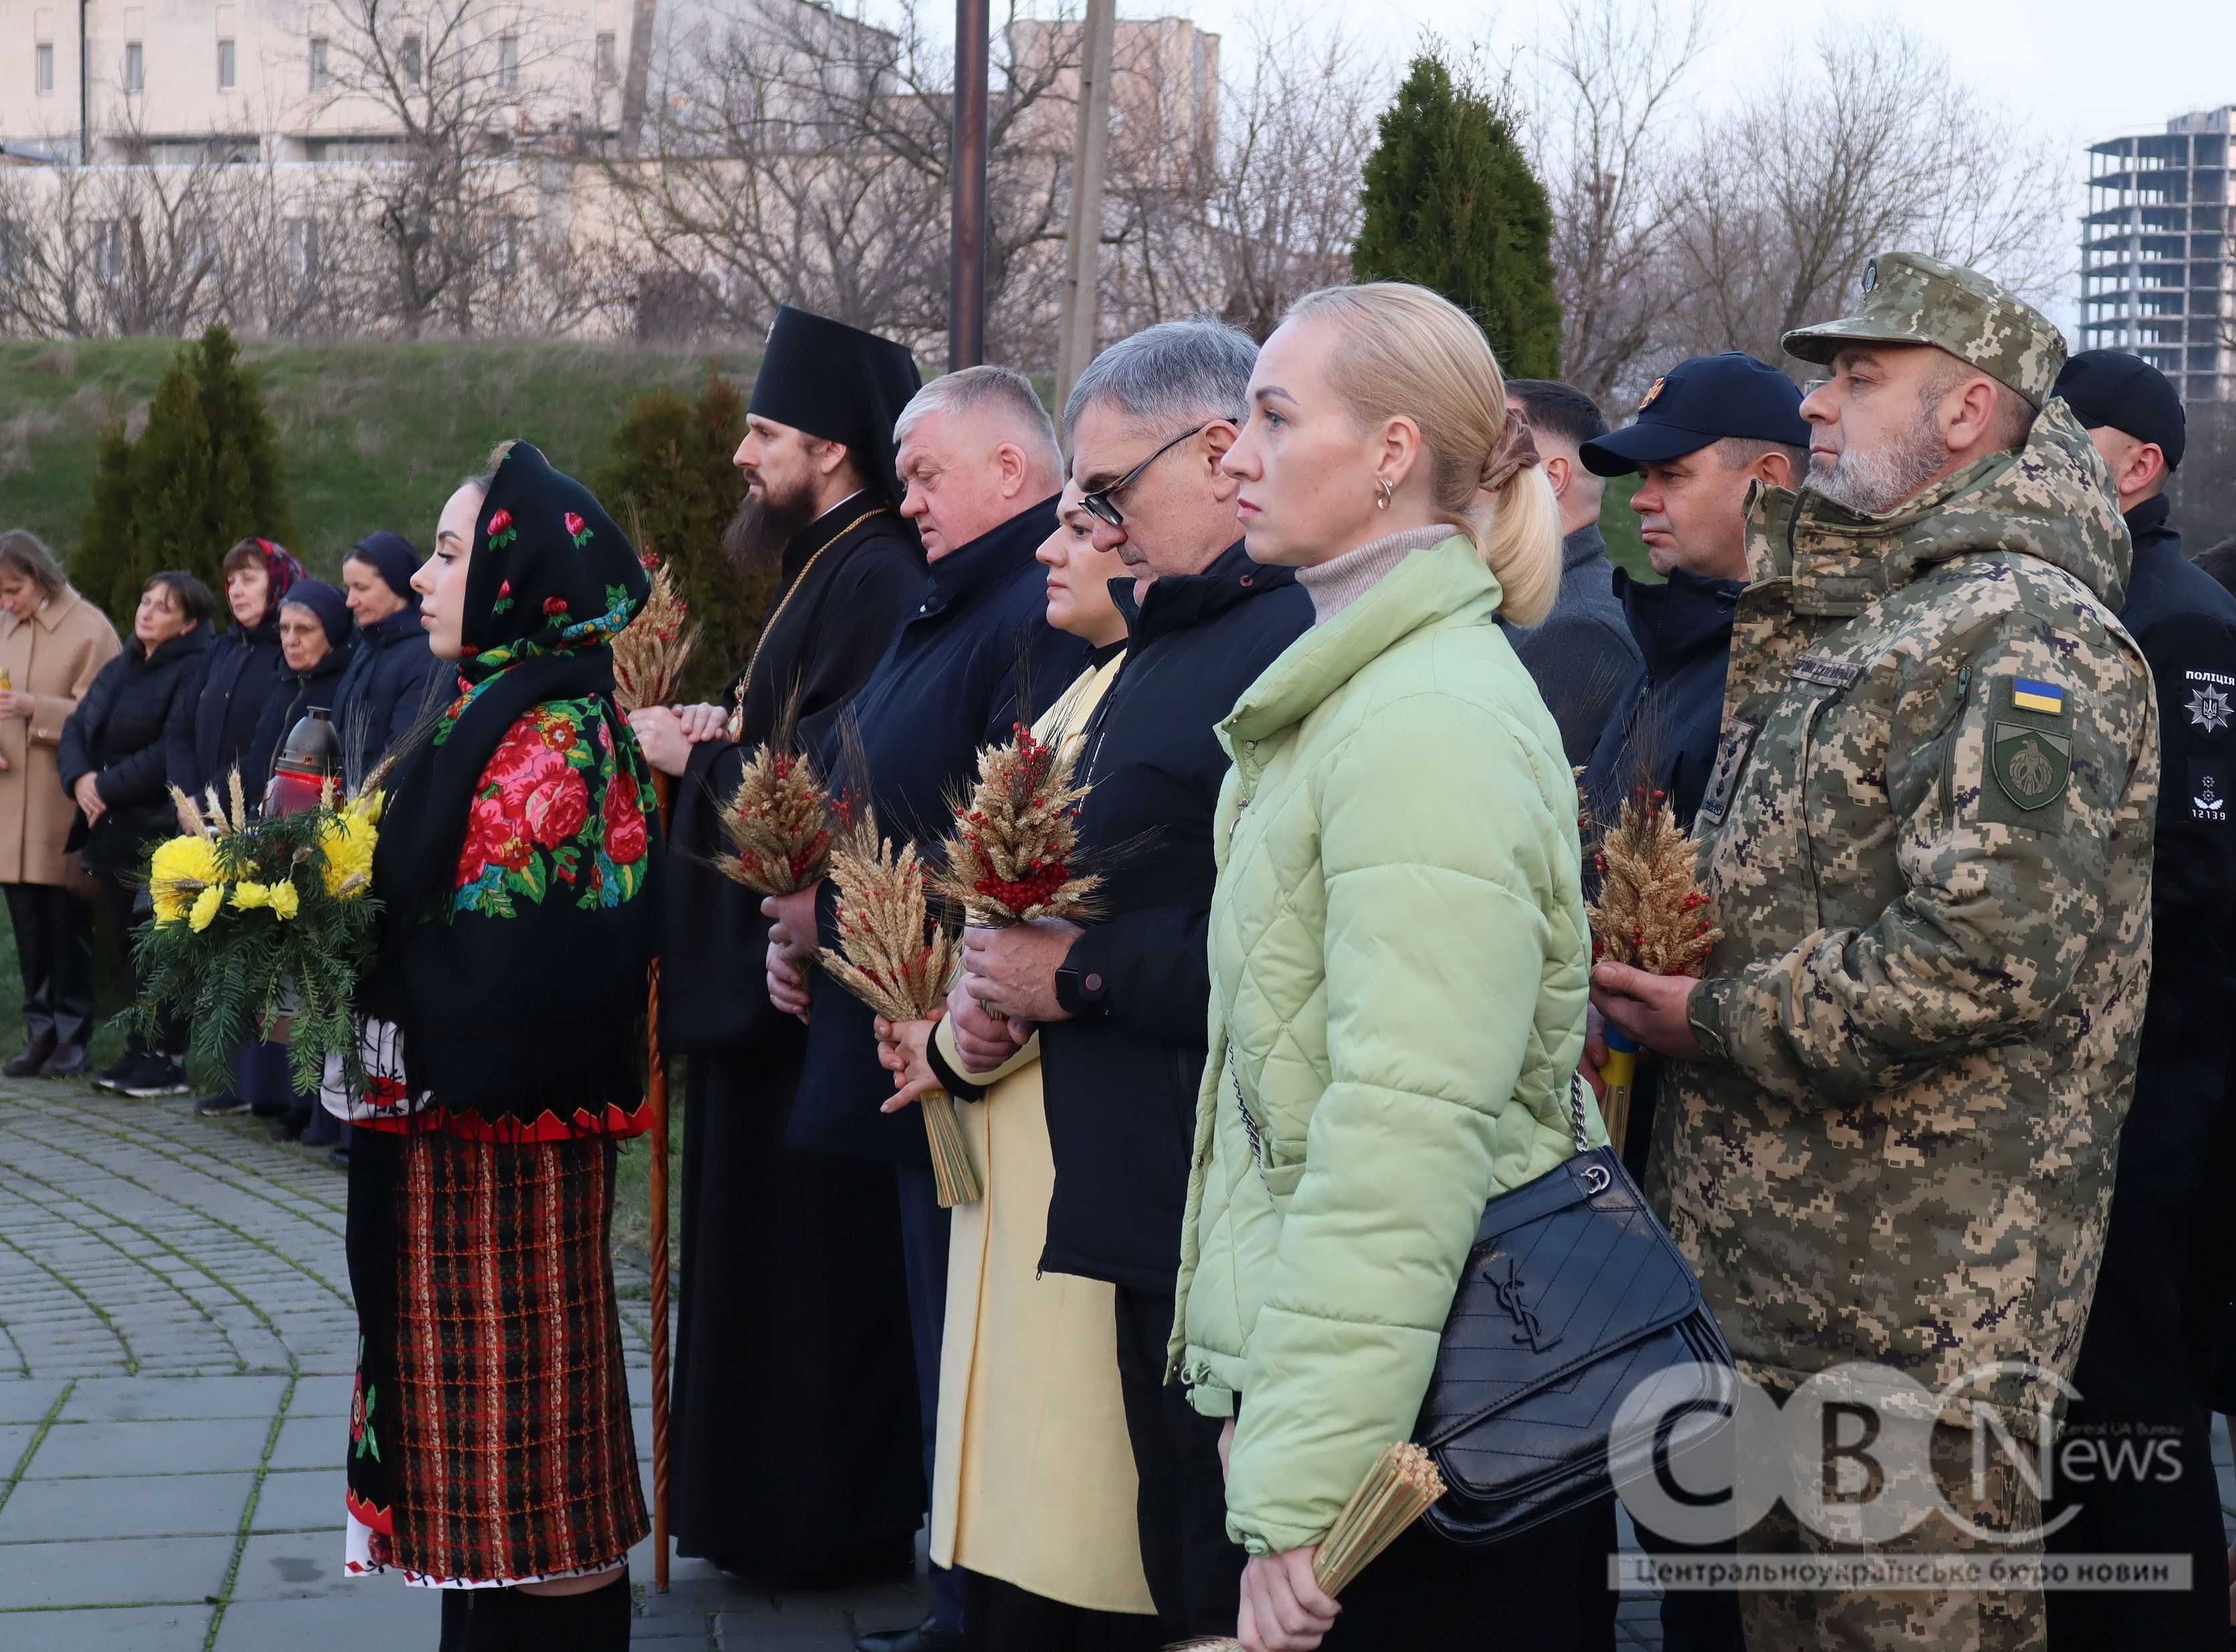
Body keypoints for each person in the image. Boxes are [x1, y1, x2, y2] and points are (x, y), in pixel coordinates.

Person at [1590, 253, 2159, 1651]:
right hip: (1777, 1291)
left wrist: (1703, 1018)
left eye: (1856, 378)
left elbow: (1979, 955)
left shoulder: (2029, 634)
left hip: (1918, 1321)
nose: (1816, 407)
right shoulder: (1874, 611)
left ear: (1967, 412)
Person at [1172, 281, 1608, 1651]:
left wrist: (1306, 1487)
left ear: (1389, 453)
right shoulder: (1361, 695)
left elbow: (1399, 1140)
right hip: (1389, 1407)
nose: (1231, 453)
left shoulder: (1421, 720)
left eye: (1271, 415)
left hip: (1429, 1454)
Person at [947, 318, 1310, 1643]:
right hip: (1149, 1202)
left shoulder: (1285, 647)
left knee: (1230, 1591)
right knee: (1182, 1582)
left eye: (1107, 493)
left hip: (1238, 1210)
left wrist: (1077, 974)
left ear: (1221, 456)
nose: (1088, 525)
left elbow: (1296, 945)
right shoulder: (1168, 641)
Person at [763, 365, 1083, 1652]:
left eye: (923, 472)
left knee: (975, 1345)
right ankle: (960, 1590)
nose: (904, 498)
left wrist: (871, 942)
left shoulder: (1032, 605)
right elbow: (875, 772)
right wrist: (808, 921)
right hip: (901, 1026)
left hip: (964, 1043)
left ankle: (980, 1602)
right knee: (937, 1337)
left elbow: (1009, 830)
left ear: (1011, 469)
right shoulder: (958, 592)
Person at [331, 440, 657, 1651]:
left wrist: (350, 952)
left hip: (506, 1147)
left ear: (522, 573)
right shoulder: (494, 706)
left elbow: (524, 961)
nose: (422, 576)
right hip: (458, 1144)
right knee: (483, 1491)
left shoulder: (555, 732)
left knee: (535, 1489)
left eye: (455, 552)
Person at [629, 307, 930, 1593]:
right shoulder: (824, 562)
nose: (744, 457)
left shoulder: (875, 572)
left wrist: (693, 758)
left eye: (764, 434)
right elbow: (787, 737)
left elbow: (848, 773)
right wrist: (721, 731)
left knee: (811, 1271)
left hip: (816, 993)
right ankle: (764, 1513)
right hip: (773, 998)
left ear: (832, 449)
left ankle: (820, 1520)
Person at [873, 484, 1158, 1650]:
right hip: (1014, 1147)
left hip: (1080, 1174)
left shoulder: (1152, 695)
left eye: (1085, 525)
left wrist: (973, 1020)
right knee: (1019, 1526)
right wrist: (944, 1017)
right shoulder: (1092, 684)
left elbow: (1107, 947)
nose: (1051, 546)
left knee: (1079, 1530)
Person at [2041, 350, 2236, 1651]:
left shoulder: (2177, 620)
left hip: (2155, 1107)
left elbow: (2194, 877)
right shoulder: (2071, 602)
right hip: (2082, 1110)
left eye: (2068, 436)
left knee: (2136, 1422)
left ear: (2139, 466)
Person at [61, 571, 217, 1100]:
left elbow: (167, 751)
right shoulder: (128, 660)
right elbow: (80, 726)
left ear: (189, 622)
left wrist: (103, 784)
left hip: (155, 825)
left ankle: (167, 1055)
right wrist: (80, 778)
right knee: (127, 948)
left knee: (160, 944)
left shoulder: (195, 665)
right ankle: (138, 1047)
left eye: (163, 607)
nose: (146, 612)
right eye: (145, 600)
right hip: (110, 827)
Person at [166, 537, 307, 1119]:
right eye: (230, 582)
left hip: (256, 818)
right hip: (205, 819)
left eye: (248, 578)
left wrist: (228, 804)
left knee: (269, 950)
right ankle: (240, 1080)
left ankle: (279, 1087)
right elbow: (180, 725)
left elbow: (267, 741)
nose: (237, 591)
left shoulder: (288, 649)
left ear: (278, 581)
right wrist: (187, 800)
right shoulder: (223, 650)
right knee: (228, 949)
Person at [0, 529, 120, 1081]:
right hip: (9, 800)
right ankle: (40, 1031)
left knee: (65, 919)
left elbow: (105, 715)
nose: (7, 602)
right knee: (25, 920)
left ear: (42, 576)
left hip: (58, 798)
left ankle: (73, 1035)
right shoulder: (4, 626)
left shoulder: (90, 629)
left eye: (14, 590)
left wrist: (35, 708)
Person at [243, 579, 356, 1152]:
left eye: (304, 628)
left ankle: (314, 1105)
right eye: (284, 629)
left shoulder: (338, 688)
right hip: (270, 842)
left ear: (333, 631)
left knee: (310, 983)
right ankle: (282, 1098)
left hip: (316, 851)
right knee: (277, 978)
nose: (291, 639)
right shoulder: (284, 686)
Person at [1502, 378, 1640, 762]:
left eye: (1489, 450)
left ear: (1551, 478)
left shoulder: (1579, 631)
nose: (1464, 472)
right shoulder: (1533, 601)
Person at [333, 531, 442, 789]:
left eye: (361, 588)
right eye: (349, 588)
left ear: (397, 585)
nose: (350, 601)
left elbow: (402, 754)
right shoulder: (367, 645)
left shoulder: (426, 655)